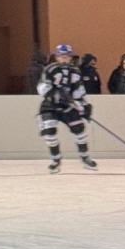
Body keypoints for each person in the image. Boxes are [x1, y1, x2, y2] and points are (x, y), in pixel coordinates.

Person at [37, 44, 97, 174]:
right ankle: (55, 160)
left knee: (80, 130)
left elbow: (78, 91)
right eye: (61, 56)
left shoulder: (75, 72)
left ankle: (85, 157)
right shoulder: (50, 69)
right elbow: (42, 86)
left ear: (70, 57)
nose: (64, 58)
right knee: (50, 132)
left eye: (66, 56)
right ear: (57, 57)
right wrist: (52, 93)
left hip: (67, 106)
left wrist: (84, 107)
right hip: (50, 106)